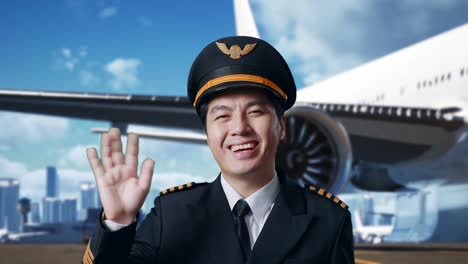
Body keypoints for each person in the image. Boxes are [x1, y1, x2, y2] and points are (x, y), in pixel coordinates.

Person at [82, 36, 355, 264]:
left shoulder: (328, 219)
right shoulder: (171, 214)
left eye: (256, 111)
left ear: (282, 127)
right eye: (222, 116)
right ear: (207, 133)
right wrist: (117, 224)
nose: (239, 127)